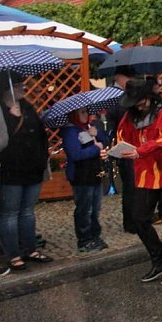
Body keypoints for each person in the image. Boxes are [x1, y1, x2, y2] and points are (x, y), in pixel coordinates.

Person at [117, 79, 162, 286]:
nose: (137, 106)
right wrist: (115, 150)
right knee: (138, 217)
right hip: (146, 174)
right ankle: (160, 257)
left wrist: (140, 150)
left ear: (149, 97)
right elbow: (122, 136)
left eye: (140, 101)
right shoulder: (129, 117)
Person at [0, 74, 52, 274]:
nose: (24, 88)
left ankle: (30, 249)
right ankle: (13, 254)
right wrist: (12, 115)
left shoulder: (29, 108)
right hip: (11, 171)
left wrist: (41, 159)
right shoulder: (0, 110)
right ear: (7, 89)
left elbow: (41, 136)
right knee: (9, 214)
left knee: (27, 212)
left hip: (32, 169)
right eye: (19, 85)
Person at [60, 108, 110, 253]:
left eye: (86, 112)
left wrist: (97, 134)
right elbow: (75, 154)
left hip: (94, 173)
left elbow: (105, 140)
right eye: (81, 113)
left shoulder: (88, 127)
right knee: (84, 208)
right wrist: (96, 148)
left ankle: (95, 235)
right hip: (81, 176)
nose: (85, 115)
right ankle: (84, 239)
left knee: (95, 207)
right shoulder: (71, 131)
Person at [104, 67, 138, 233]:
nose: (131, 80)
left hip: (135, 145)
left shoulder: (128, 94)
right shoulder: (113, 96)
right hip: (123, 146)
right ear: (118, 77)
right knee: (131, 186)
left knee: (137, 185)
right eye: (128, 77)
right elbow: (113, 123)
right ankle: (131, 222)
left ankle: (137, 218)